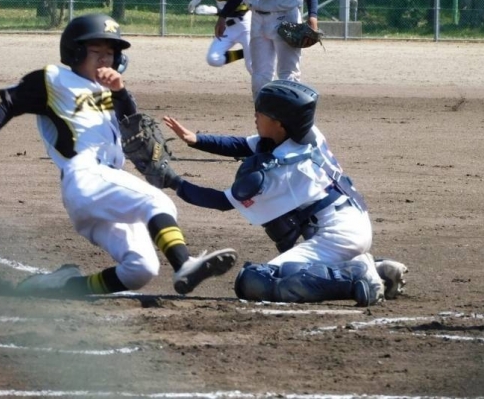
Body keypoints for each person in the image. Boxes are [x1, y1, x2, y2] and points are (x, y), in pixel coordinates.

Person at [0, 13, 238, 298]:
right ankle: (184, 264)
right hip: (85, 175)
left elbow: (132, 121)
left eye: (110, 53)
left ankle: (61, 287)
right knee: (157, 201)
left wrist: (120, 91)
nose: (104, 59)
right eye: (96, 51)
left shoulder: (110, 92)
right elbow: (9, 105)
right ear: (75, 52)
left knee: (140, 269)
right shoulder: (55, 79)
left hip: (104, 185)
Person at [161, 80, 408, 306]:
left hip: (336, 237)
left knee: (257, 280)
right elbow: (243, 145)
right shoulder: (307, 135)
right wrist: (195, 139)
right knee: (280, 274)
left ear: (279, 123)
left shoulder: (285, 171)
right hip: (351, 223)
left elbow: (221, 201)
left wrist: (171, 180)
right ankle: (380, 270)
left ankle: (357, 276)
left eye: (261, 112)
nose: (255, 115)